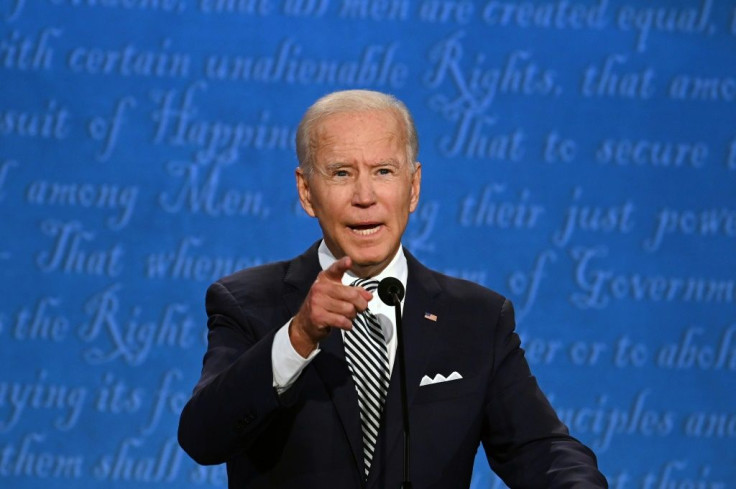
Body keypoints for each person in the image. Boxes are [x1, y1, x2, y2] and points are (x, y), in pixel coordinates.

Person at [178, 90, 607, 489]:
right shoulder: (248, 302)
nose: (365, 196)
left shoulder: (476, 318)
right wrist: (299, 336)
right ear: (307, 192)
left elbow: (538, 447)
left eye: (384, 171)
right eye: (341, 173)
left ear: (413, 186)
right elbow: (204, 437)